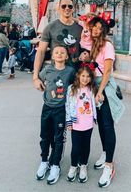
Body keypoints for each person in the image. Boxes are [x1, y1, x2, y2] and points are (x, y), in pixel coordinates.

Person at [89, 14, 125, 188]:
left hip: (105, 87)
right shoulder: (94, 46)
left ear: (104, 30)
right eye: (93, 27)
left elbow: (108, 71)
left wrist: (100, 91)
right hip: (95, 87)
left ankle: (109, 165)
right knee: (102, 125)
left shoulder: (107, 45)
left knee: (108, 125)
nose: (95, 29)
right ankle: (105, 153)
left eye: (98, 27)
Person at [36, 45, 75, 185]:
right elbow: (38, 79)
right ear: (52, 56)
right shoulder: (47, 70)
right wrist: (37, 82)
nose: (59, 54)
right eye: (56, 52)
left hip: (61, 109)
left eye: (62, 52)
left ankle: (55, 165)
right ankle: (44, 161)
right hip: (47, 108)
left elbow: (75, 85)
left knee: (58, 138)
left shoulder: (70, 71)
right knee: (45, 136)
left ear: (66, 57)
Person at [33, 0, 82, 91]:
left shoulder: (81, 28)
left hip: (76, 76)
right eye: (63, 6)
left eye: (70, 6)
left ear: (73, 9)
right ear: (58, 8)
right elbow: (41, 52)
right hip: (57, 76)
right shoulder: (50, 27)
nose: (67, 8)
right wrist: (35, 77)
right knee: (55, 103)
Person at [66, 64, 97, 183]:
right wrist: (69, 121)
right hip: (76, 124)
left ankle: (83, 165)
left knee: (86, 146)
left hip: (88, 123)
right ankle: (73, 166)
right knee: (75, 147)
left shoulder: (92, 89)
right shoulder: (72, 88)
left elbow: (94, 104)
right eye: (83, 76)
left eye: (88, 76)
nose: (85, 79)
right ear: (78, 76)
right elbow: (68, 106)